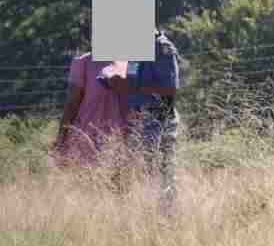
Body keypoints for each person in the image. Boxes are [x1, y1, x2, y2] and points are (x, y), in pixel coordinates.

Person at [110, 28, 181, 212]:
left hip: (158, 119)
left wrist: (134, 88)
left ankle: (166, 215)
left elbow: (169, 90)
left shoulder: (161, 47)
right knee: (132, 172)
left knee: (159, 172)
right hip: (137, 119)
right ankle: (144, 215)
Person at [53, 11, 131, 169]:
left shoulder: (128, 63)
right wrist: (61, 140)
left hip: (120, 139)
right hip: (87, 138)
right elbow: (72, 104)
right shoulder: (82, 63)